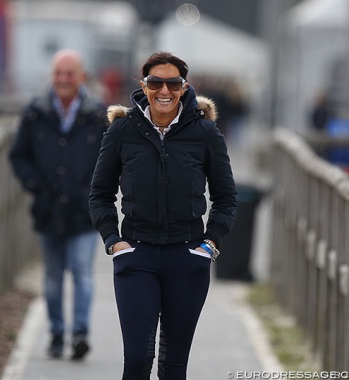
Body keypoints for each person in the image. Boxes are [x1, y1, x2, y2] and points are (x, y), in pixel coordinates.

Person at [89, 51, 238, 379]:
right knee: (138, 362)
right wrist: (114, 241)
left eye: (173, 83)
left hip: (187, 258)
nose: (164, 91)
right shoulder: (122, 130)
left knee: (174, 368)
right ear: (144, 85)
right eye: (156, 83)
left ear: (184, 88)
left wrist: (209, 244)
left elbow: (226, 198)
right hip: (136, 256)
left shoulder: (205, 133)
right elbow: (99, 194)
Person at [9, 49, 107, 360]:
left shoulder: (98, 114)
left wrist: (94, 189)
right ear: (51, 77)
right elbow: (18, 155)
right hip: (48, 206)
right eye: (58, 73)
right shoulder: (35, 112)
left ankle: (79, 332)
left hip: (84, 208)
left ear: (82, 76)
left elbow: (112, 158)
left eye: (70, 73)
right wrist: (36, 186)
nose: (64, 80)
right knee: (52, 276)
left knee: (81, 270)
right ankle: (55, 332)